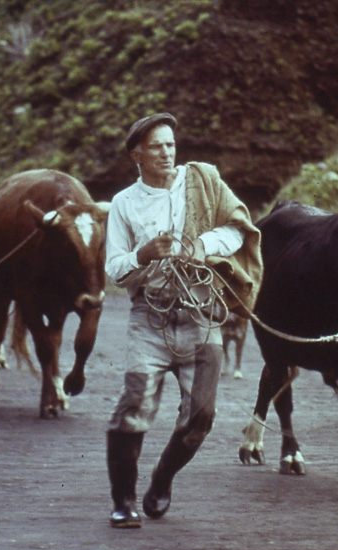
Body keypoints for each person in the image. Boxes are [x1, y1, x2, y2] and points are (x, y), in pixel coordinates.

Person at [104, 112, 263, 528]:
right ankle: (123, 501)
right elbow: (114, 268)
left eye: (171, 144)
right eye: (157, 146)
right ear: (136, 154)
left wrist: (202, 245)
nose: (167, 153)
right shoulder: (123, 203)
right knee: (134, 405)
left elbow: (237, 228)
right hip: (150, 315)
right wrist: (144, 255)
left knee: (201, 416)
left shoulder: (202, 181)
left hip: (200, 311)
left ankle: (162, 479)